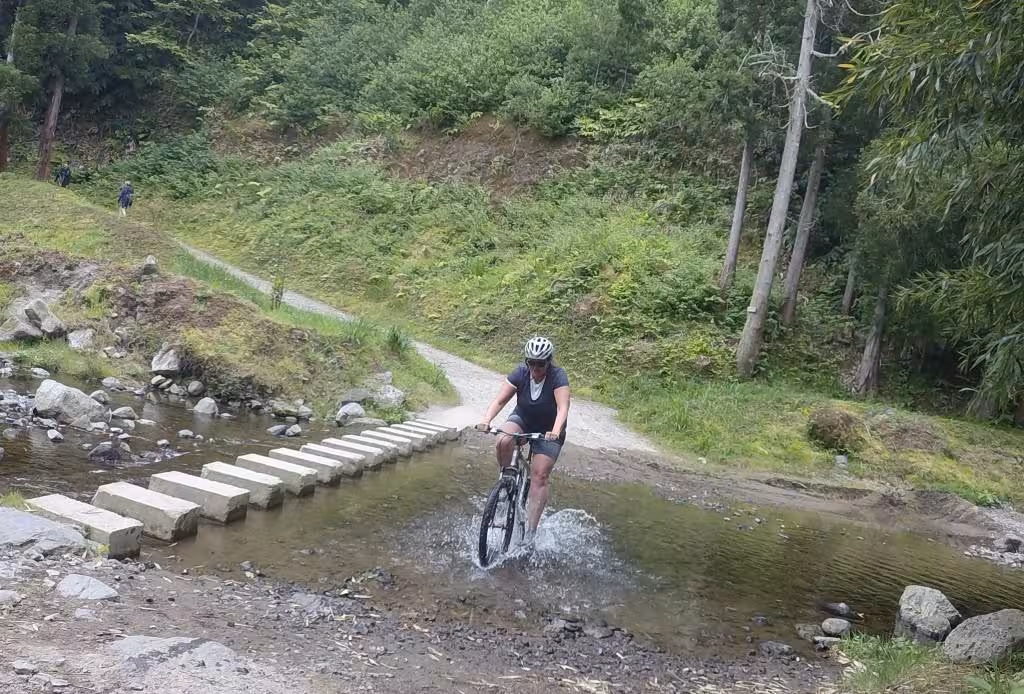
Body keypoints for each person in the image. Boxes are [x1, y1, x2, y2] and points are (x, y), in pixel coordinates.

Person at [477, 336, 571, 546]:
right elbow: (501, 400)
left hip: (549, 428)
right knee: (503, 439)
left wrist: (555, 431)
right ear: (526, 361)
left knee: (539, 475)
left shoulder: (558, 376)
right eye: (532, 363)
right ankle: (507, 481)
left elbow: (563, 408)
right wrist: (486, 420)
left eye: (541, 363)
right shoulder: (520, 372)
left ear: (549, 362)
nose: (536, 368)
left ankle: (530, 532)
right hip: (524, 418)